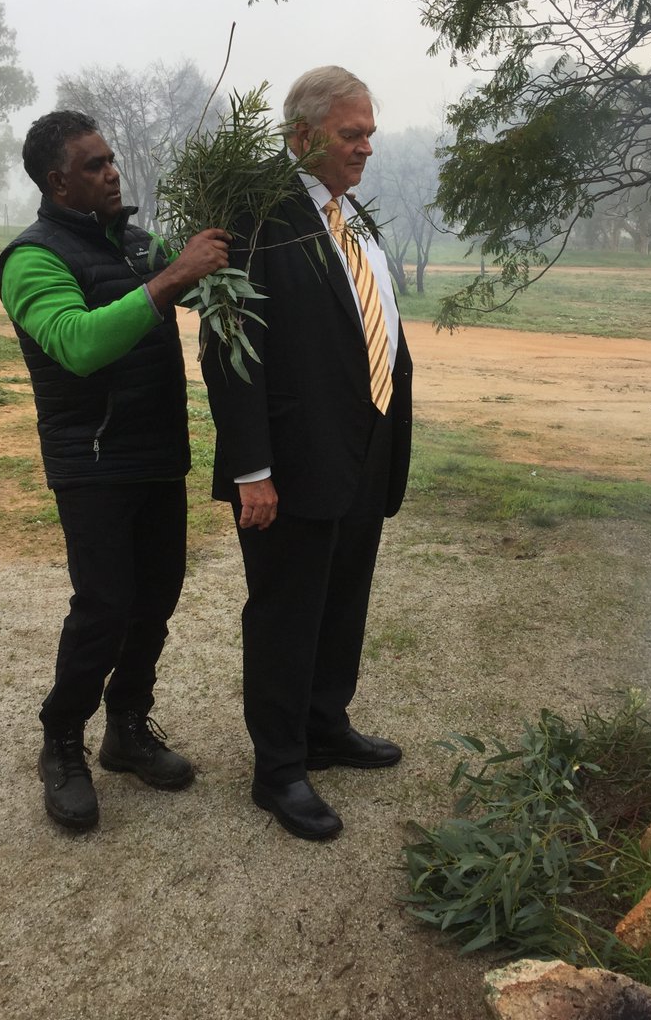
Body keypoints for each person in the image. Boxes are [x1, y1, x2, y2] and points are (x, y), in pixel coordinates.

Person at [0, 110, 230, 832]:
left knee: (155, 599)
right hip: (92, 464)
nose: (112, 172)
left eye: (111, 160)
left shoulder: (138, 244)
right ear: (57, 181)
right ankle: (62, 741)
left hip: (157, 455)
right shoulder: (30, 258)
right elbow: (77, 344)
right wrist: (175, 275)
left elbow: (207, 286)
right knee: (103, 608)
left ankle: (127, 727)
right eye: (93, 165)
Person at [201, 67, 413, 841]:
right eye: (351, 134)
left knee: (343, 599)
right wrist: (251, 469)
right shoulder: (255, 216)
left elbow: (368, 322)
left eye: (369, 134)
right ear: (302, 135)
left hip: (365, 444)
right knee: (287, 613)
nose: (365, 148)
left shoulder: (352, 215)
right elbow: (230, 348)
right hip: (291, 461)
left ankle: (325, 724)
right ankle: (279, 768)